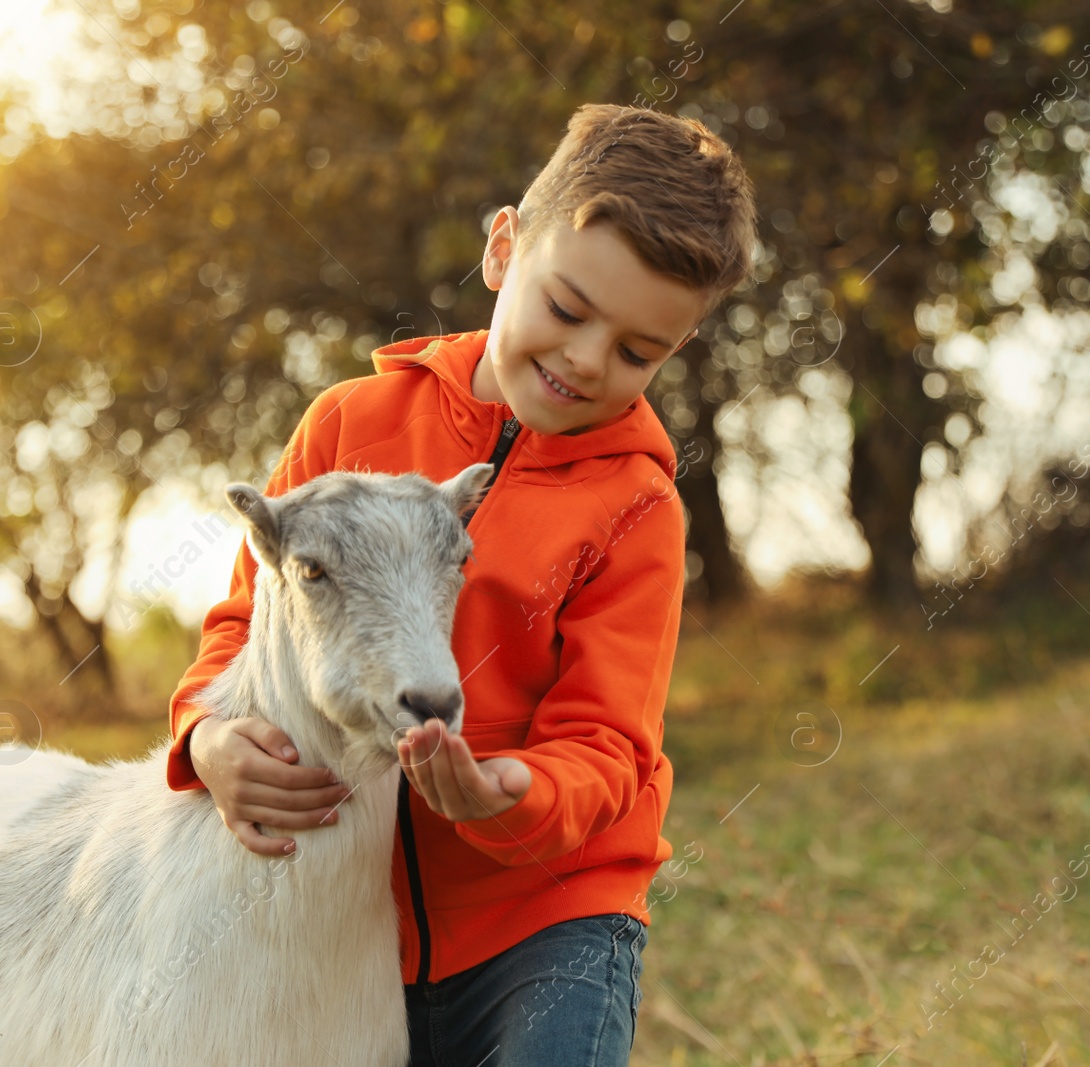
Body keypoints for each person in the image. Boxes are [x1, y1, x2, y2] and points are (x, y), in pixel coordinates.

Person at [166, 102, 758, 1066]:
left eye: (636, 352)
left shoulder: (638, 510)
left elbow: (608, 743)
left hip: (548, 916)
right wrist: (207, 735)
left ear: (674, 349)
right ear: (502, 248)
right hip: (353, 917)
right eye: (566, 309)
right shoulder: (348, 425)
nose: (583, 359)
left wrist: (508, 794)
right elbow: (244, 620)